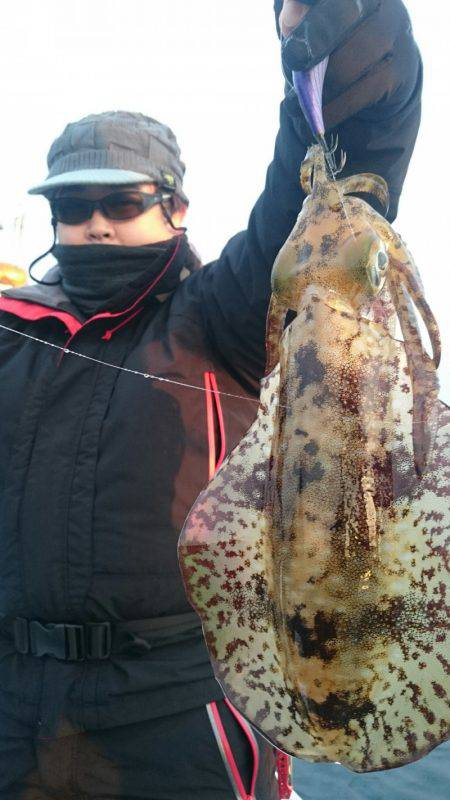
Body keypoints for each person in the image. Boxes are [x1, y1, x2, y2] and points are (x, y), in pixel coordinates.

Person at [0, 1, 422, 798]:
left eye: (121, 204)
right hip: (14, 705)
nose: (93, 223)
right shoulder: (9, 331)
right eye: (71, 206)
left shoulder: (224, 312)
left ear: (175, 208)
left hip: (181, 709)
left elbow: (333, 177)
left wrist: (326, 50)